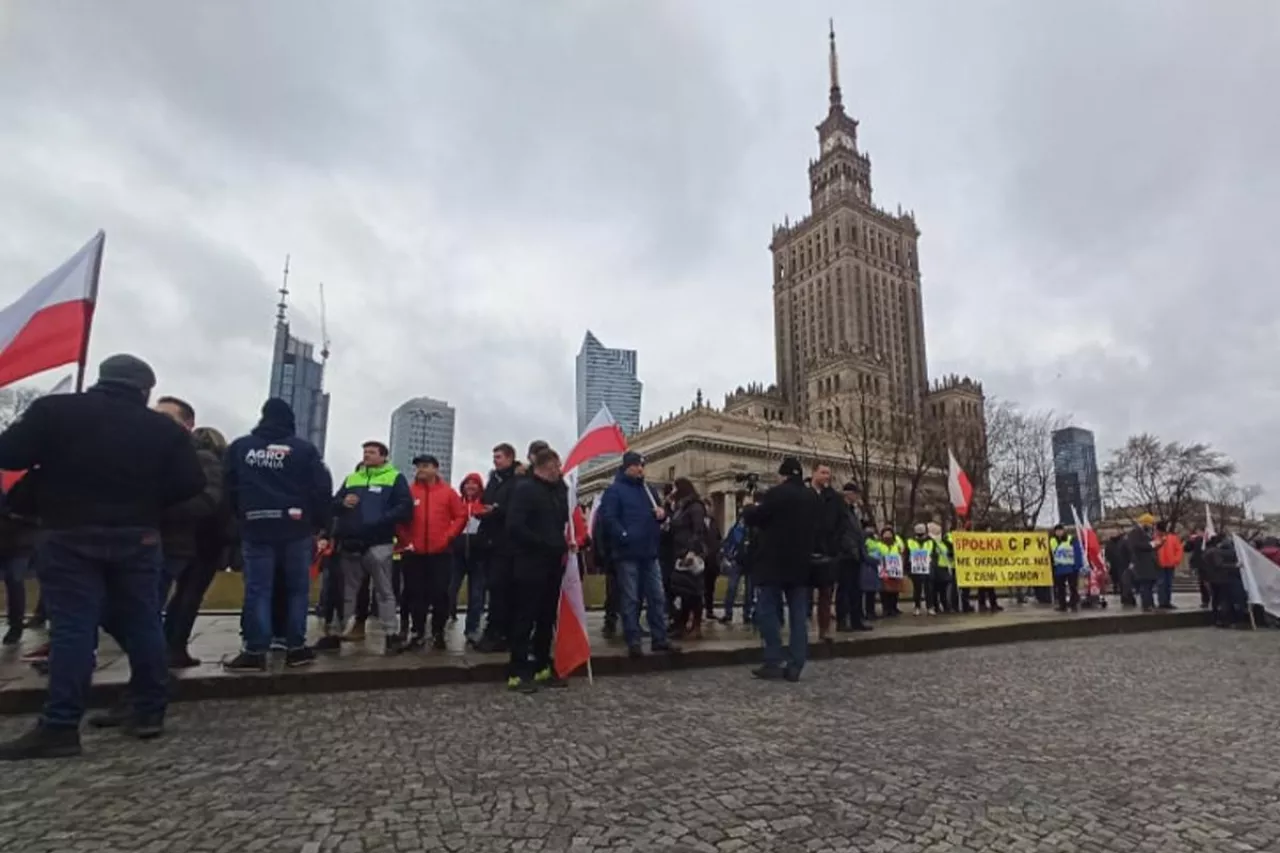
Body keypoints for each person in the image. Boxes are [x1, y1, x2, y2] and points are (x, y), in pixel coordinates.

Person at [0, 355, 206, 759]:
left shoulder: (56, 411)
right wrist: (147, 501)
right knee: (144, 620)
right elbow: (190, 483)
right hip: (138, 534)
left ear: (101, 378)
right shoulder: (161, 430)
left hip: (68, 530)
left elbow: (9, 454)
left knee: (74, 628)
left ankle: (60, 724)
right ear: (145, 389)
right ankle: (148, 710)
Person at [222, 399, 332, 672]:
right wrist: (319, 524)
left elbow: (229, 487)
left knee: (258, 589)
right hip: (295, 527)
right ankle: (295, 647)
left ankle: (254, 649)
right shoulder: (303, 450)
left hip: (256, 525)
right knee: (297, 589)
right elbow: (321, 489)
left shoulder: (241, 447)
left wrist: (239, 518)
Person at [151, 398, 226, 668]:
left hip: (193, 538)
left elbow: (210, 500)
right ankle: (167, 649)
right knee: (184, 597)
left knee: (174, 597)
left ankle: (164, 652)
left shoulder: (201, 461)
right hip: (198, 539)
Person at [597, 451, 678, 659]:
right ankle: (633, 639)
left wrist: (661, 516)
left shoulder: (648, 489)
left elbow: (658, 515)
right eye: (636, 465)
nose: (640, 469)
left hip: (649, 551)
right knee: (631, 597)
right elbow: (608, 519)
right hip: (627, 553)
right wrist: (624, 535)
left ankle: (659, 638)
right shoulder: (615, 491)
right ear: (627, 467)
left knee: (657, 596)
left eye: (642, 465)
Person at [744, 457, 818, 682]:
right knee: (798, 616)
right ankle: (796, 663)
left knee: (768, 611)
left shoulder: (777, 494)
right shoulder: (811, 497)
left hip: (773, 563)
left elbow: (756, 518)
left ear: (783, 475)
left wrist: (748, 505)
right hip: (801, 565)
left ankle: (773, 660)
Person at [335, 441, 411, 654]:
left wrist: (381, 520)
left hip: (380, 543)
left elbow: (404, 507)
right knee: (351, 591)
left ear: (383, 457)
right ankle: (344, 628)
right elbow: (335, 503)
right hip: (353, 544)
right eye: (365, 452)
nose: (366, 455)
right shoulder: (353, 478)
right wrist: (342, 503)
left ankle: (391, 634)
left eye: (371, 452)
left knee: (384, 590)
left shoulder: (395, 477)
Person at [504, 447, 570, 693]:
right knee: (525, 617)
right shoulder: (525, 489)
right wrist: (543, 543)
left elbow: (562, 522)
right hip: (530, 562)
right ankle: (517, 671)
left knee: (546, 617)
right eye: (557, 466)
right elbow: (515, 527)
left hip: (553, 563)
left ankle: (542, 665)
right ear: (546, 466)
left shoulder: (558, 492)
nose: (560, 470)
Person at [396, 455, 466, 650]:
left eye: (425, 466)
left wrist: (448, 536)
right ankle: (417, 631)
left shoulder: (448, 493)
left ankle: (438, 633)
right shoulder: (409, 492)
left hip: (441, 552)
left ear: (436, 469)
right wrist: (406, 540)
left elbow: (461, 515)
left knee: (440, 594)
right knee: (415, 594)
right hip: (414, 553)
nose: (421, 470)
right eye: (418, 466)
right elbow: (400, 519)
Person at [475, 443, 520, 653]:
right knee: (493, 589)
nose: (495, 461)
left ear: (510, 458)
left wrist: (497, 510)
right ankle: (495, 631)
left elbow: (516, 508)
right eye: (494, 457)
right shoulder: (494, 479)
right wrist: (483, 509)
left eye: (499, 457)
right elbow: (486, 500)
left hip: (507, 544)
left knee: (502, 590)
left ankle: (501, 633)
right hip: (490, 542)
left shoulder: (518, 480)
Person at [668, 478, 710, 639]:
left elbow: (698, 529)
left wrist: (692, 550)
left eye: (674, 488)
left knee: (694, 591)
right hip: (679, 553)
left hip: (690, 554)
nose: (672, 492)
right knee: (683, 591)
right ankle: (682, 624)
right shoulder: (680, 508)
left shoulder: (695, 507)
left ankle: (696, 626)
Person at [452, 472, 489, 644]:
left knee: (476, 594)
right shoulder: (457, 504)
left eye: (474, 484)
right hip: (457, 554)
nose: (470, 487)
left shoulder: (484, 505)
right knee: (450, 589)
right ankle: (446, 617)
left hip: (479, 555)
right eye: (467, 483)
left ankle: (472, 628)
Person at [809, 464, 844, 640]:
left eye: (828, 474)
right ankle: (802, 627)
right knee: (803, 593)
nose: (826, 477)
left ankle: (824, 629)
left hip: (827, 553)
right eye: (823, 473)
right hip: (806, 551)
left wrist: (835, 547)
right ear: (814, 473)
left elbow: (841, 524)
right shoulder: (805, 496)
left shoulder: (835, 499)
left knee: (825, 593)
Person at [836, 483, 871, 631]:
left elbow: (856, 532)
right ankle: (842, 620)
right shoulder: (840, 510)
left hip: (855, 554)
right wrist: (849, 548)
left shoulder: (854, 512)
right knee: (845, 588)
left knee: (856, 589)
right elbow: (842, 532)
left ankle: (856, 619)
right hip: (845, 555)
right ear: (848, 494)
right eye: (855, 494)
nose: (857, 497)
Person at [718, 514, 754, 626]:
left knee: (749, 591)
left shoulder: (754, 530)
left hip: (750, 563)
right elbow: (728, 542)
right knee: (732, 588)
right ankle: (728, 613)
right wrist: (729, 555)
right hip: (737, 562)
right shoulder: (736, 529)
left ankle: (747, 614)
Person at [1128, 513, 1159, 612]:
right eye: (1150, 524)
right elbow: (1136, 546)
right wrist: (1151, 545)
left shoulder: (1146, 533)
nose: (1151, 526)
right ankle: (1146, 605)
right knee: (1145, 585)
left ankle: (1150, 603)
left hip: (1148, 563)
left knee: (1149, 584)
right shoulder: (1135, 532)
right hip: (1142, 563)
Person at [905, 523, 937, 616]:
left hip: (928, 567)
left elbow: (935, 554)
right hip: (915, 568)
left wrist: (932, 563)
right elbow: (907, 555)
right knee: (917, 589)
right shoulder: (910, 541)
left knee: (929, 589)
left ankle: (930, 607)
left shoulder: (931, 541)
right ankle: (917, 606)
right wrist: (908, 567)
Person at [1049, 523, 1082, 612]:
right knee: (1060, 588)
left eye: (1060, 530)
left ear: (1063, 531)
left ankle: (1073, 604)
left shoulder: (1071, 539)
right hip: (1059, 568)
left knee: (1073, 587)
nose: (1059, 532)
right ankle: (1062, 605)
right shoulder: (1052, 541)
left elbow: (1077, 552)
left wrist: (1077, 566)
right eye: (1057, 531)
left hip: (1071, 567)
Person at [1154, 521, 1183, 610]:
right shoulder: (1156, 538)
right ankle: (1163, 602)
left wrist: (1175, 560)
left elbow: (1179, 550)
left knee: (1167, 584)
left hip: (1168, 564)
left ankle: (1166, 602)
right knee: (1162, 584)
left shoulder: (1172, 538)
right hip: (1161, 565)